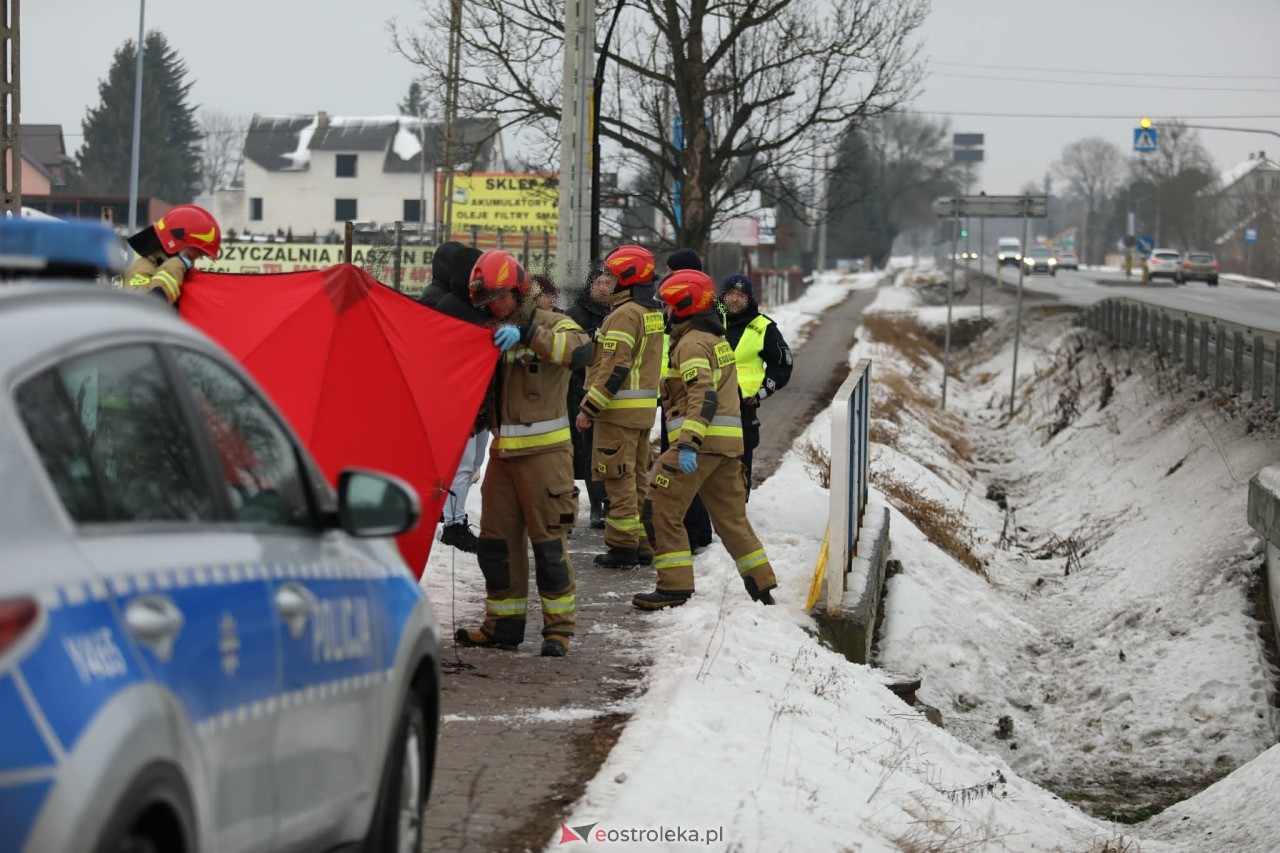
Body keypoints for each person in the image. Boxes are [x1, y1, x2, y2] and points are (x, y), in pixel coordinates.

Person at [455, 250, 592, 657]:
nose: (490, 306)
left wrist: (530, 336)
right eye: (484, 301)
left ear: (517, 290)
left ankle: (559, 630)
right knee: (496, 547)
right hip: (502, 458)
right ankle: (502, 626)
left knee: (549, 547)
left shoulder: (554, 325)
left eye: (495, 297)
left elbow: (582, 353)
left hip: (546, 458)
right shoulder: (490, 332)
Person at [633, 268, 778, 610]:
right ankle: (763, 587)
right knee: (732, 521)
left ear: (683, 306)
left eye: (666, 306)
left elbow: (703, 394)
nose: (663, 313)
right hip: (727, 449)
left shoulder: (692, 343)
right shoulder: (716, 338)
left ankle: (674, 586)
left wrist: (688, 443)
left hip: (699, 447)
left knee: (660, 508)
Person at [575, 245, 664, 569]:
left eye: (613, 276)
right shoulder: (650, 312)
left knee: (618, 479)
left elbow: (615, 368)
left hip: (617, 412)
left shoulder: (624, 315)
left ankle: (622, 547)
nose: (608, 282)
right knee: (637, 477)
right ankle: (641, 544)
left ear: (626, 278)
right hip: (641, 412)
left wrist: (589, 408)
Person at [419, 243, 488, 552]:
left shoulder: (461, 304)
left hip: (471, 395)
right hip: (456, 398)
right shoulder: (443, 304)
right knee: (459, 464)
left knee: (468, 461)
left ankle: (452, 518)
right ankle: (453, 524)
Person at [719, 273, 793, 499]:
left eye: (740, 295)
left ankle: (739, 508)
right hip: (710, 402)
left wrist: (762, 391)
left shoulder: (763, 327)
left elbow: (782, 365)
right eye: (730, 294)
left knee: (741, 460)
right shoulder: (709, 321)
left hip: (743, 405)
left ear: (749, 298)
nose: (734, 300)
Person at [662, 249, 714, 554]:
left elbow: (701, 387)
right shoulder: (706, 309)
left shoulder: (692, 335)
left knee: (678, 487)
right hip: (681, 403)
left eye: (671, 271)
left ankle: (689, 542)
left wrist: (689, 440)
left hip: (689, 410)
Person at [565, 261, 613, 529]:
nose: (605, 288)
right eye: (599, 283)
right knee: (586, 449)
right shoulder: (576, 314)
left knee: (608, 448)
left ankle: (610, 502)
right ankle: (596, 505)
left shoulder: (619, 313)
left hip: (612, 389)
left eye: (609, 283)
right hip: (581, 389)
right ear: (590, 286)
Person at [124, 204, 221, 305]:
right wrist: (175, 265)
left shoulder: (173, 273)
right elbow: (142, 304)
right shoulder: (143, 267)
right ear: (175, 243)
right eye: (192, 256)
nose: (192, 263)